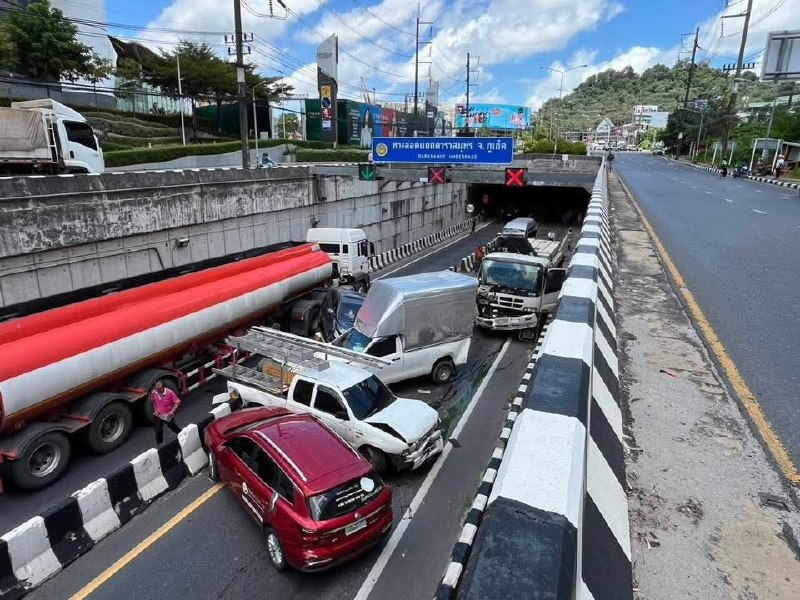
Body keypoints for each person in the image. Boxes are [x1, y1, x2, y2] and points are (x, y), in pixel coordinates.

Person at [151, 380, 182, 445]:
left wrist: (172, 411)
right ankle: (160, 445)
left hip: (168, 415)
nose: (157, 387)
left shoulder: (169, 392)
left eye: (159, 385)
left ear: (163, 386)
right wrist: (155, 410)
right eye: (156, 385)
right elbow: (154, 401)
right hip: (158, 415)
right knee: (158, 430)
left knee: (172, 427)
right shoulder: (153, 393)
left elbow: (177, 402)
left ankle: (182, 433)